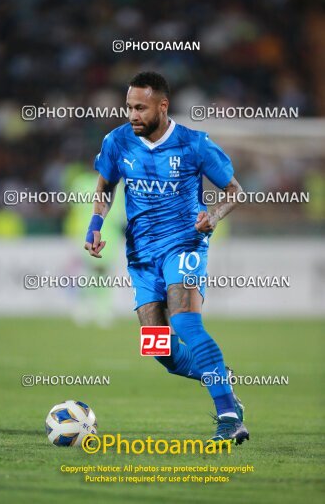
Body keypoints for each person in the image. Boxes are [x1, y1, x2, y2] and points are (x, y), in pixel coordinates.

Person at [84, 71, 249, 444]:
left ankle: (228, 416)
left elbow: (235, 190)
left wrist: (214, 216)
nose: (132, 114)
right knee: (158, 348)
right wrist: (95, 223)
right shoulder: (117, 142)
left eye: (140, 107)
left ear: (162, 106)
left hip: (184, 246)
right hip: (141, 255)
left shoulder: (194, 144)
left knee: (188, 324)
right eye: (128, 107)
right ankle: (217, 371)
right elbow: (105, 186)